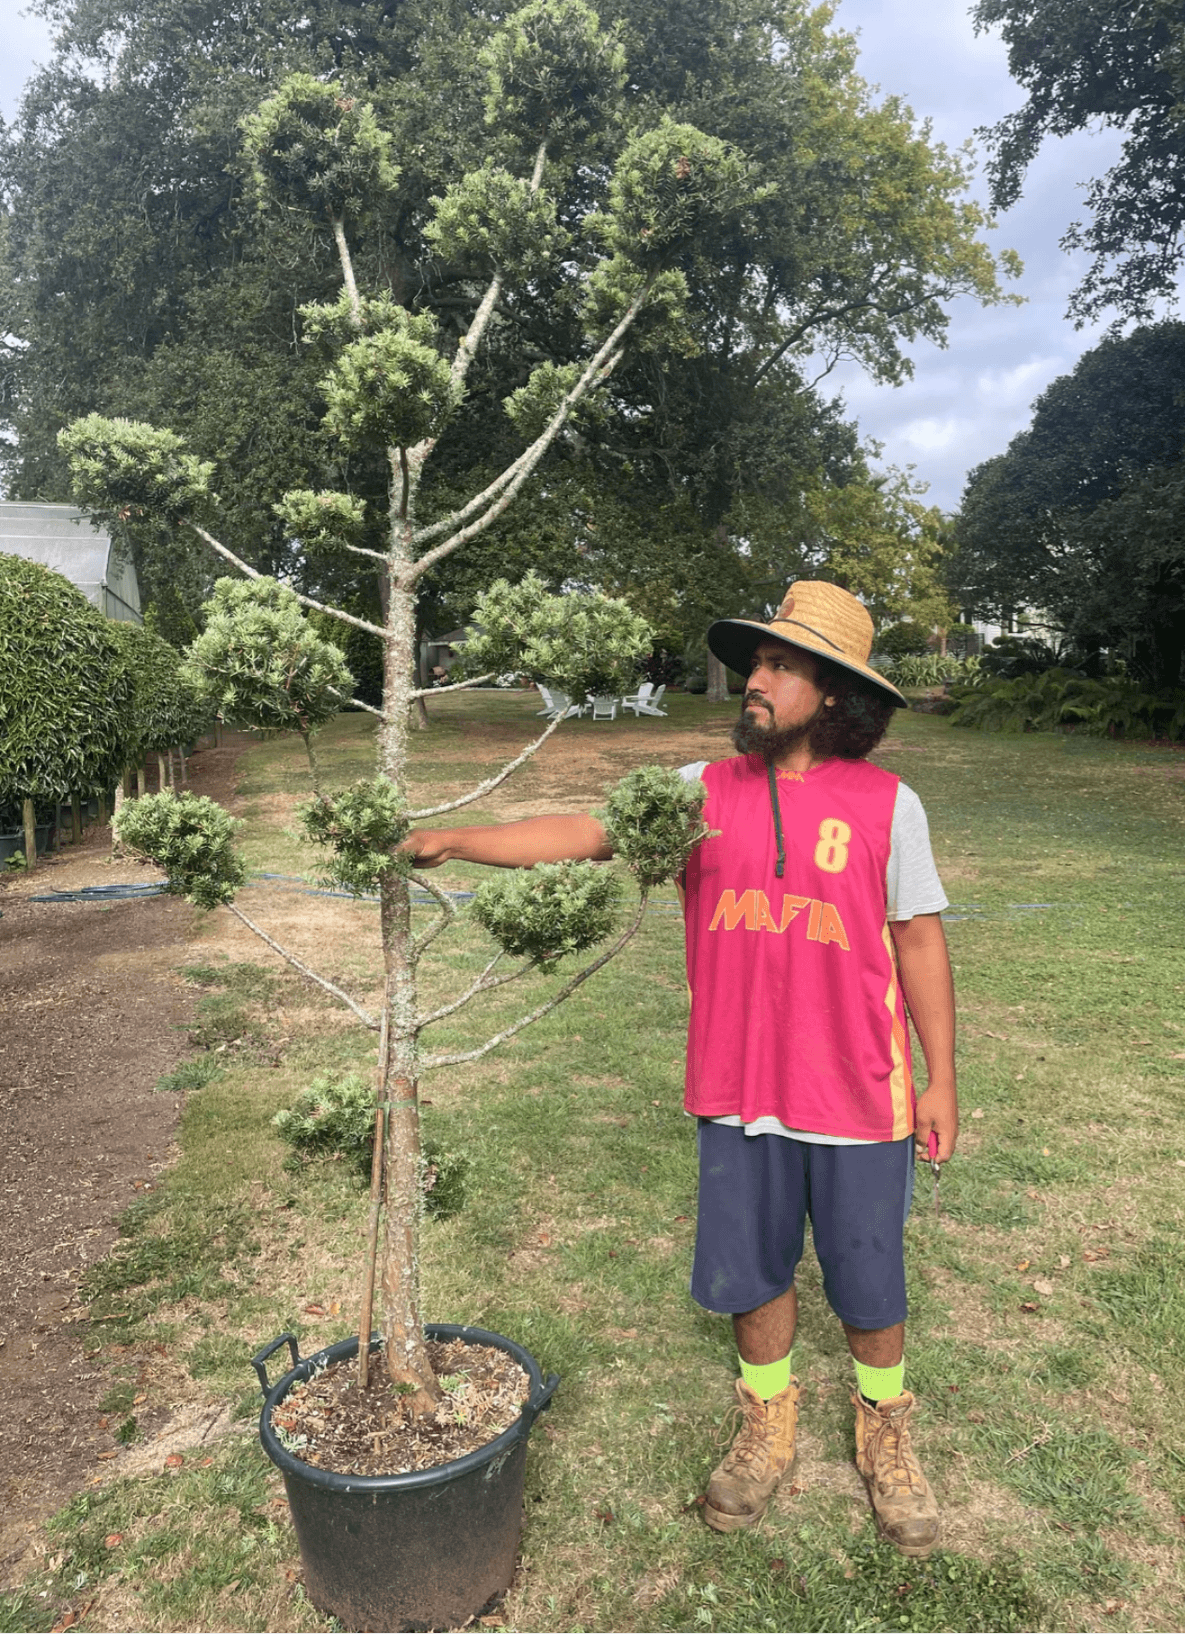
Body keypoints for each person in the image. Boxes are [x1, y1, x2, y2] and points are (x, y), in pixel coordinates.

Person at [400, 580, 958, 1555]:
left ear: (830, 693)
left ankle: (886, 1433)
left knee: (869, 1281)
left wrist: (940, 1076)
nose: (757, 678)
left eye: (782, 666)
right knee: (752, 1272)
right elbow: (583, 829)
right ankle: (765, 1423)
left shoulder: (886, 805)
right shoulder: (700, 793)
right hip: (740, 1087)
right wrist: (453, 839)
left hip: (860, 1091)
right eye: (758, 660)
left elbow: (916, 941)